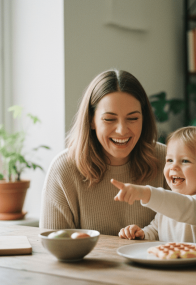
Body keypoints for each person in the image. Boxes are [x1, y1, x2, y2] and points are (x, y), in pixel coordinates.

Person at [39, 69, 169, 235]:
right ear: (92, 120)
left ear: (144, 119)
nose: (122, 130)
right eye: (109, 119)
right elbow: (54, 247)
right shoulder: (63, 169)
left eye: (133, 118)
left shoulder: (168, 160)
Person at [112, 126, 196, 248]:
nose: (173, 167)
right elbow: (155, 230)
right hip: (175, 266)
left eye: (185, 161)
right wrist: (142, 234)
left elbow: (185, 207)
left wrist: (145, 193)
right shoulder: (169, 205)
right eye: (170, 160)